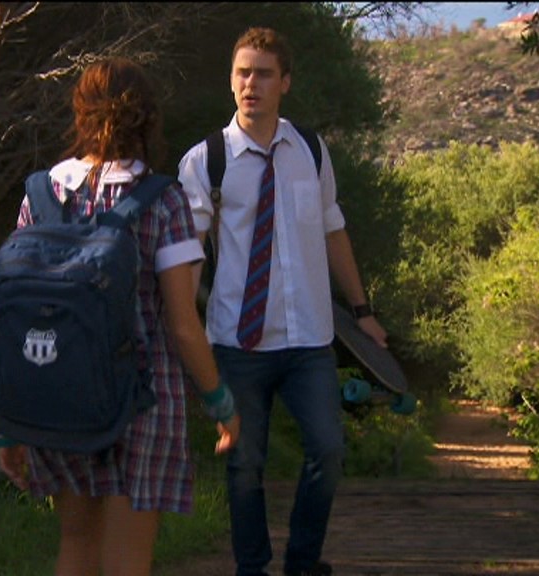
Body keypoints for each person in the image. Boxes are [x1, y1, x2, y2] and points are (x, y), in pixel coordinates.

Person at [0, 57, 241, 576]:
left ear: (80, 113)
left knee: (76, 544)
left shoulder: (41, 193)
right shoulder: (163, 200)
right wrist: (219, 401)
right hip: (142, 400)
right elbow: (182, 324)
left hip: (55, 393)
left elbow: (15, 308)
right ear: (148, 118)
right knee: (127, 560)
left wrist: (7, 425)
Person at [177, 27, 388, 576]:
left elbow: (333, 231)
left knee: (328, 450)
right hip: (238, 342)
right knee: (245, 465)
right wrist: (179, 324)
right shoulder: (206, 160)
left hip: (309, 341)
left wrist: (363, 312)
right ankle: (252, 568)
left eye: (264, 74)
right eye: (243, 73)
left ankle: (302, 562)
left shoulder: (311, 151)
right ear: (231, 80)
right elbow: (189, 254)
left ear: (285, 82)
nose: (251, 84)